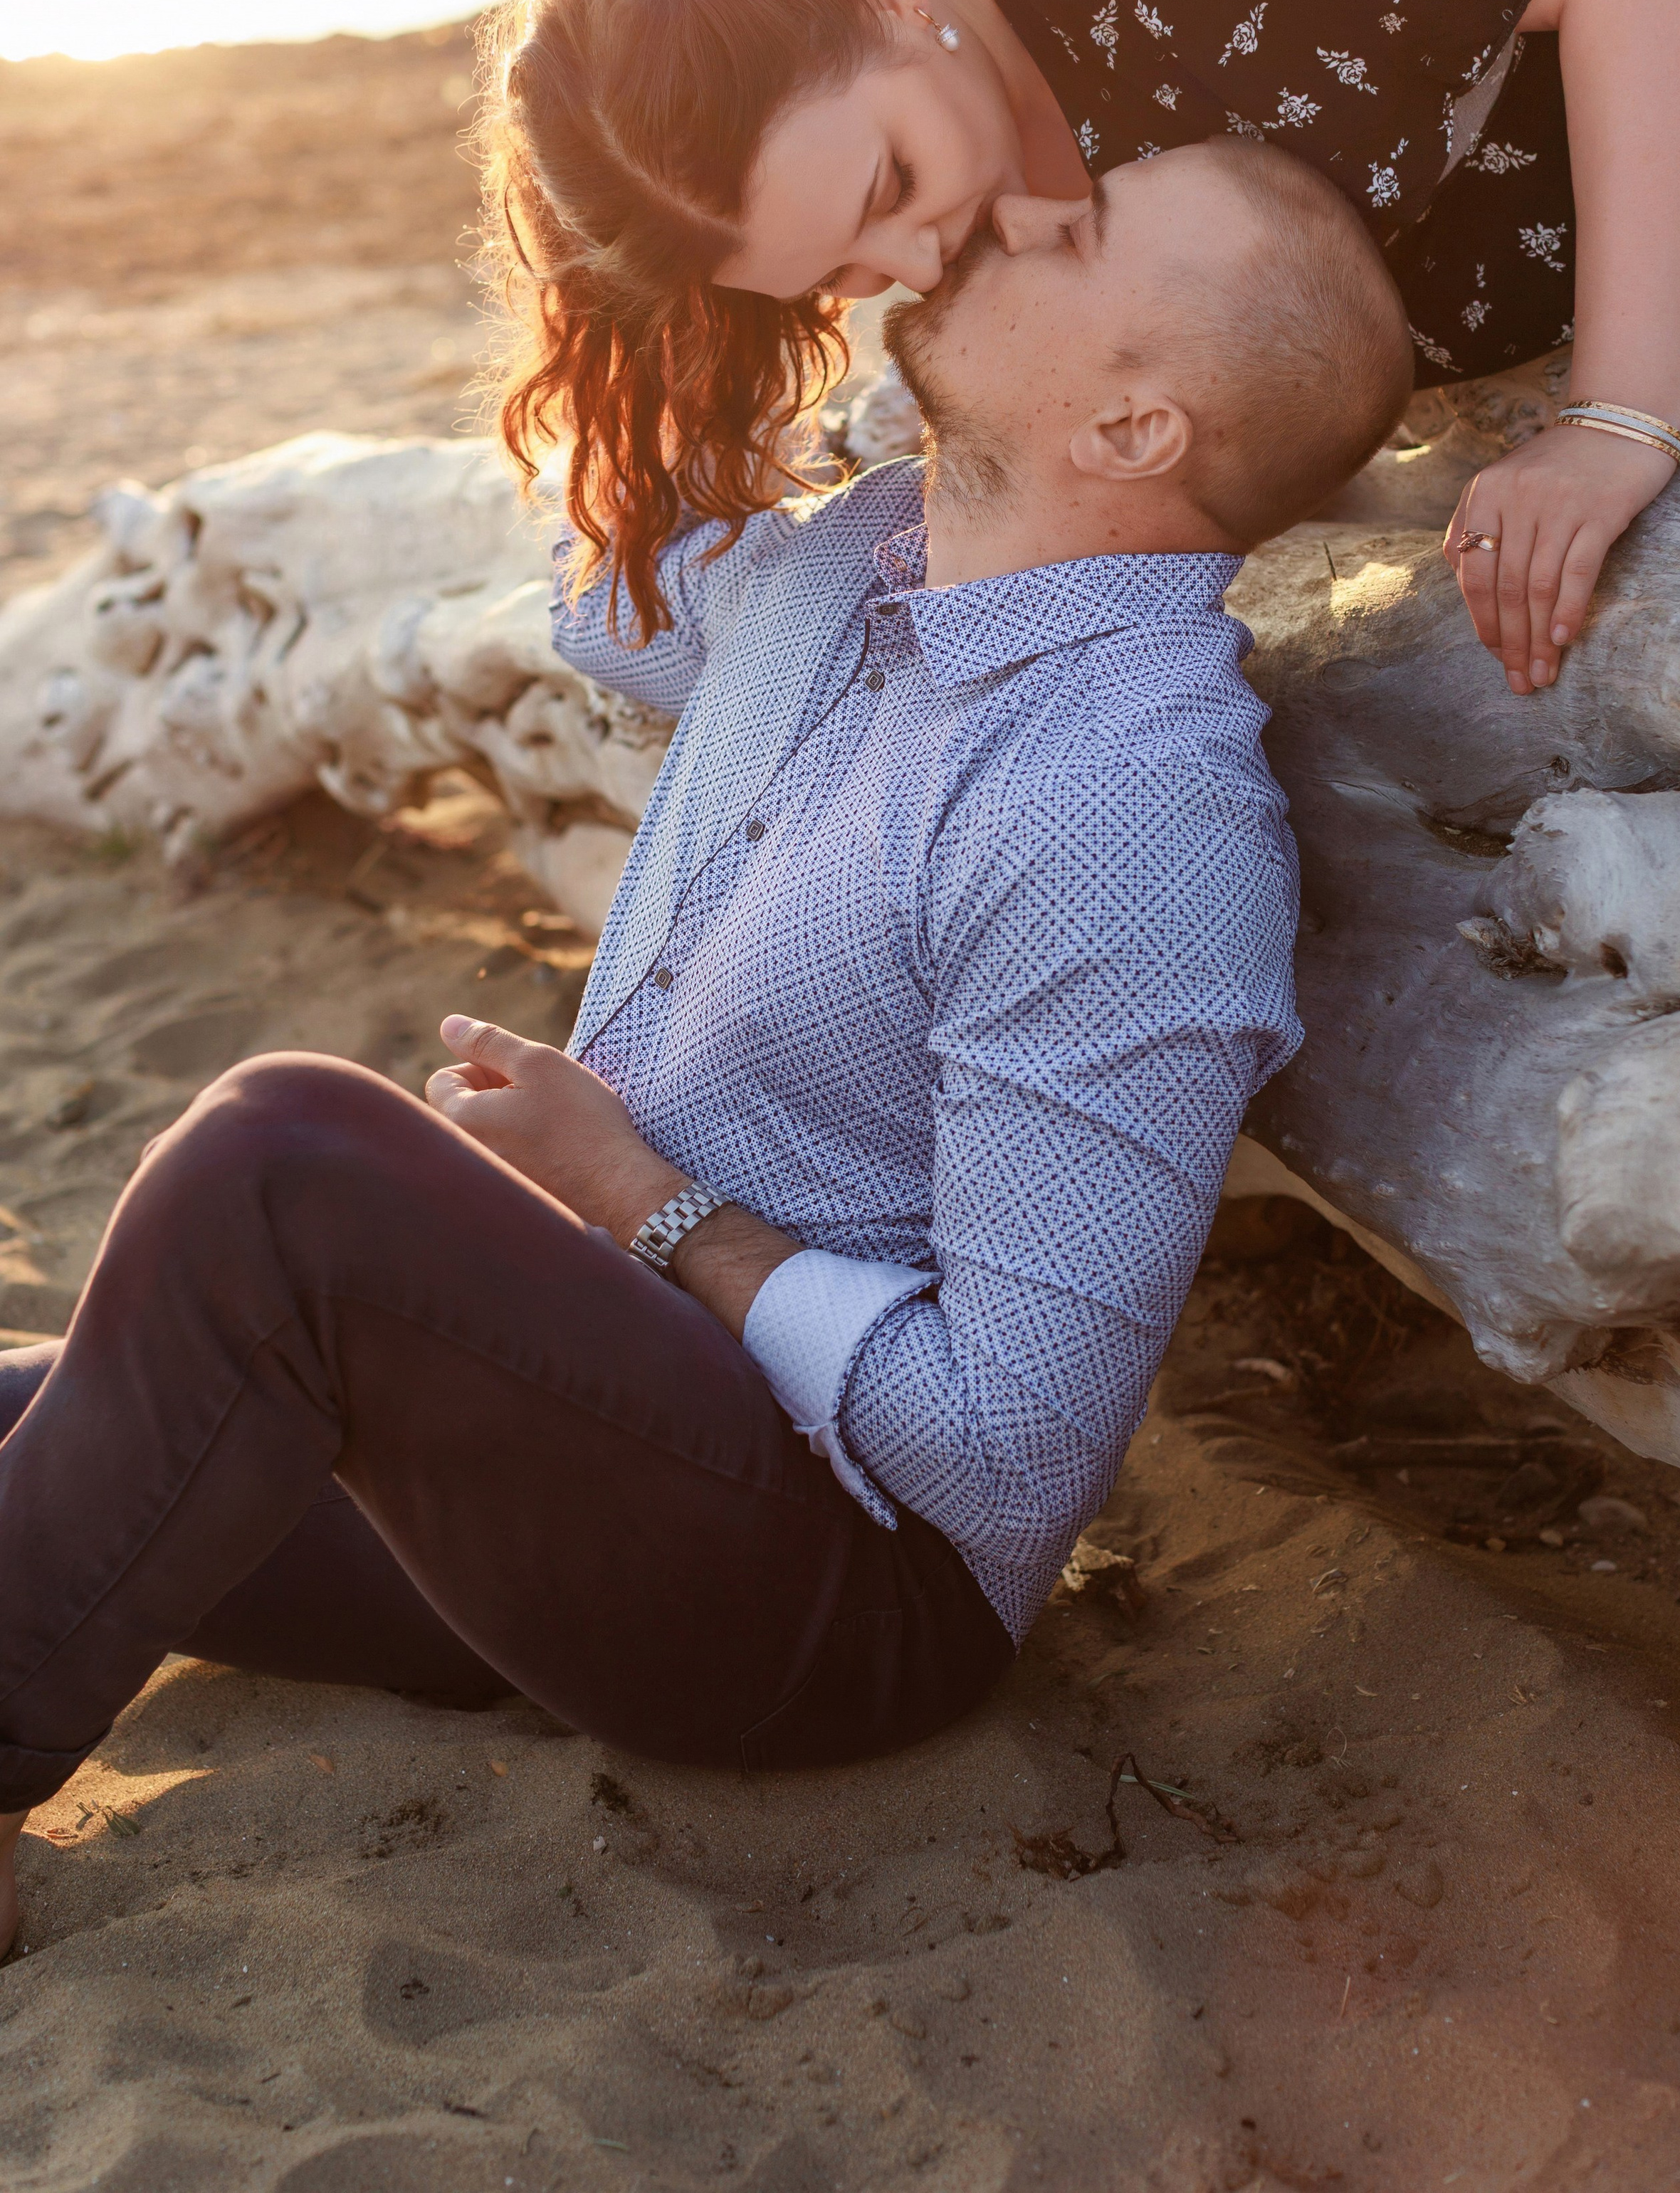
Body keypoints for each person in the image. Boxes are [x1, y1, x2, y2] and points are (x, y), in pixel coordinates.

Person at [0, 137, 1412, 1950]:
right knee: (77, 1395)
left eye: (1072, 238)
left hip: (825, 1602)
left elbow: (999, 1465)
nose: (998, 214)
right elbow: (617, 602)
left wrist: (640, 1196)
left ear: (1136, 428)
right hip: (571, 1437)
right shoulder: (861, 554)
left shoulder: (1123, 812)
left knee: (279, 1167)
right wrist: (697, 245)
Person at [481, 0, 1680, 714]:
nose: (907, 263)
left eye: (886, 189)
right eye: (836, 273)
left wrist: (1618, 423)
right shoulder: (968, 178)